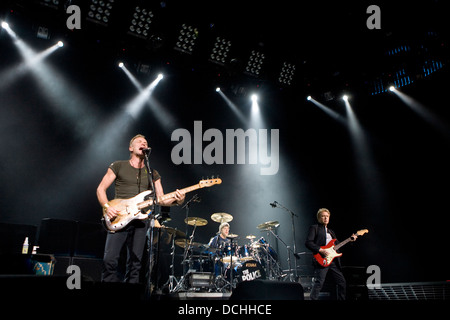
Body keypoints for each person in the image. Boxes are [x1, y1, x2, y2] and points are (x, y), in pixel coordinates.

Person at [96, 134, 185, 283]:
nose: (143, 143)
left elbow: (161, 198)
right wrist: (106, 207)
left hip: (140, 220)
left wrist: (178, 200)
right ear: (131, 148)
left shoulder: (152, 173)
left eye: (145, 142)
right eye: (139, 141)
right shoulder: (118, 166)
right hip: (118, 215)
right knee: (110, 260)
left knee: (135, 264)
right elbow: (100, 189)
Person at [305, 208, 356, 300]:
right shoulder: (315, 228)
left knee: (342, 282)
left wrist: (350, 240)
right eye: (323, 216)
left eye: (327, 216)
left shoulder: (331, 232)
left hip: (332, 261)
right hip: (321, 259)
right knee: (319, 283)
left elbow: (338, 246)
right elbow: (308, 242)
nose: (325, 218)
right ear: (319, 218)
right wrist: (321, 250)